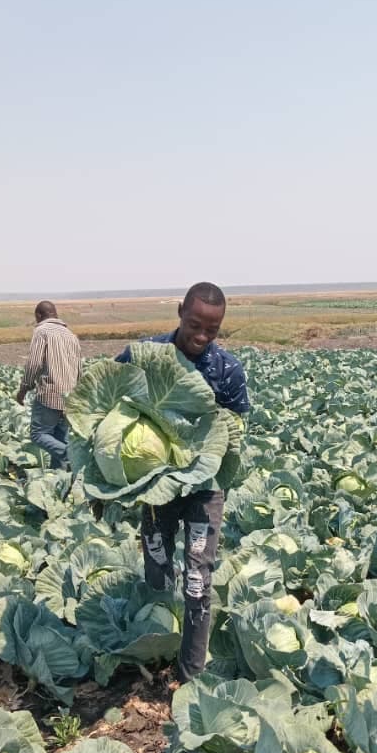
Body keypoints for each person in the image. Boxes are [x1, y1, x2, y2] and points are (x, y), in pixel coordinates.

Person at [116, 282, 249, 682]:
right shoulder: (145, 355)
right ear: (179, 311)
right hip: (156, 485)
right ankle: (155, 642)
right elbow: (109, 403)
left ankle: (190, 672)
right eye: (195, 324)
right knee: (156, 562)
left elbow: (237, 426)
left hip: (204, 486)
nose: (202, 336)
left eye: (212, 329)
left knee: (197, 576)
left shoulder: (226, 370)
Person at [16, 300, 82, 469]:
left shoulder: (42, 331)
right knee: (60, 437)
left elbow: (34, 363)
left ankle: (73, 457)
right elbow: (79, 368)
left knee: (38, 434)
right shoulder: (70, 335)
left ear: (39, 315)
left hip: (50, 393)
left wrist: (24, 388)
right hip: (70, 396)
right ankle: (60, 480)